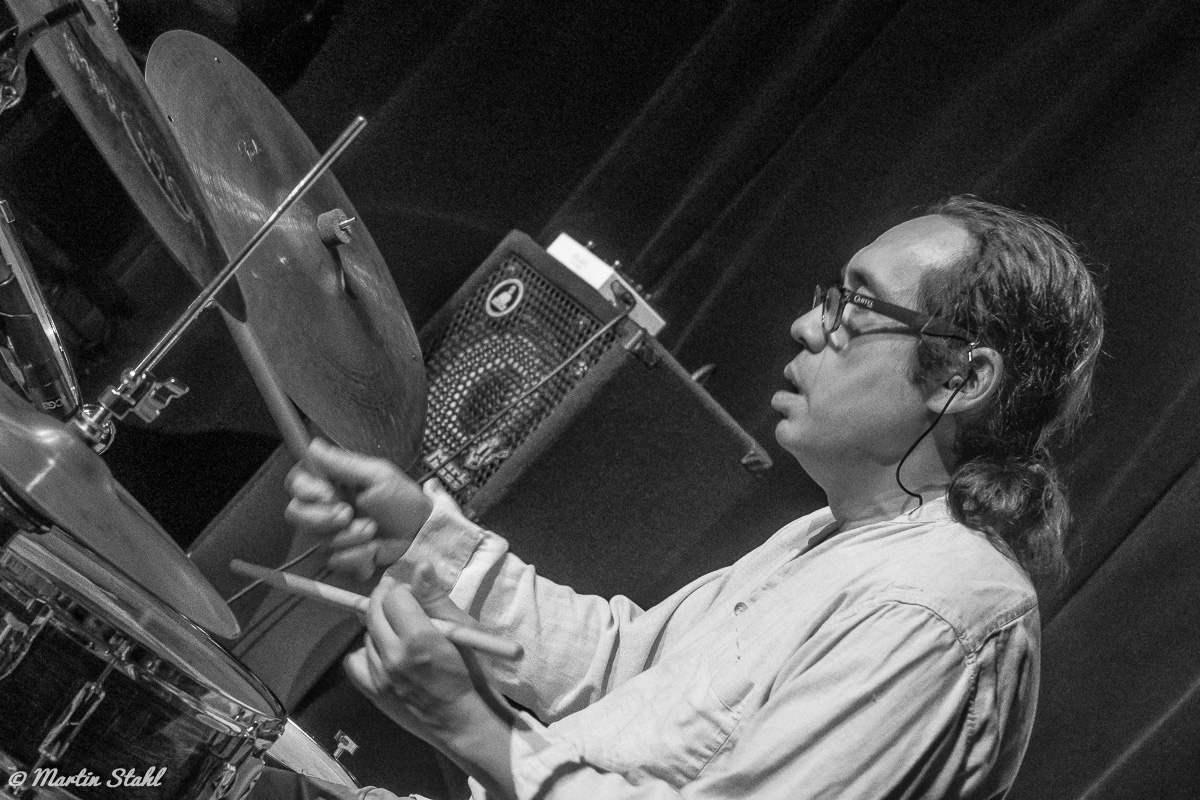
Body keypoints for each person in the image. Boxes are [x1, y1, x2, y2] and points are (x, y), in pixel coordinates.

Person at [270, 196, 1104, 799]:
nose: (808, 326)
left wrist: (474, 729)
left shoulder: (938, 608)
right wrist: (421, 538)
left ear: (962, 377)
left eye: (855, 305)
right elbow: (622, 671)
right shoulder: (832, 534)